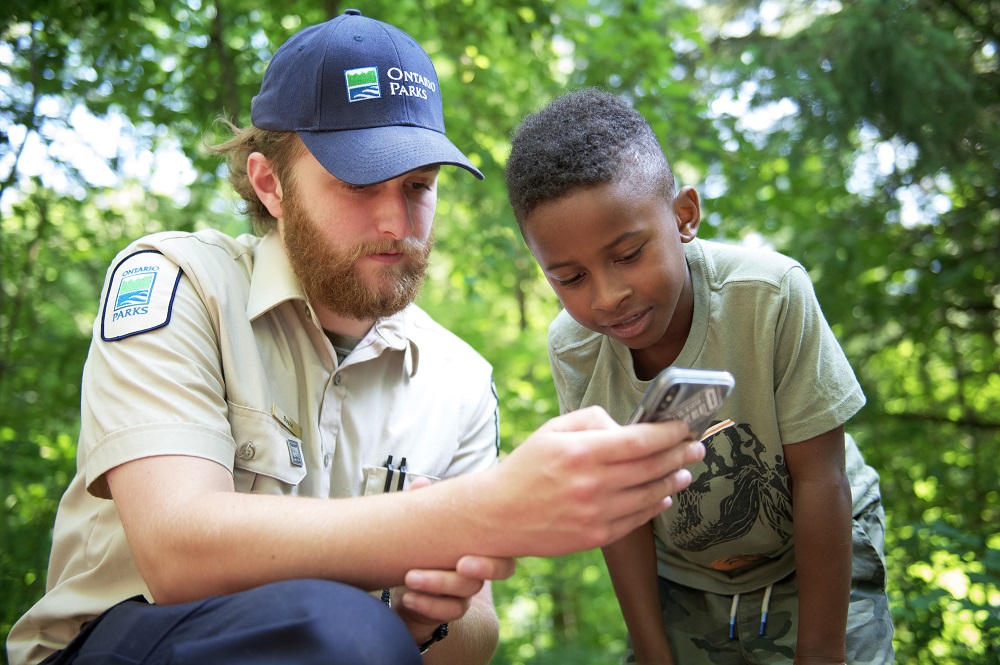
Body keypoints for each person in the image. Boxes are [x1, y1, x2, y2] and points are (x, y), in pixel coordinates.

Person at [6, 17, 708, 665]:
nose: (394, 220)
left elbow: (475, 633)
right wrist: (483, 509)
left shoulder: (459, 378)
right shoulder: (178, 282)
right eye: (355, 181)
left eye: (418, 185)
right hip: (114, 643)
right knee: (343, 625)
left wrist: (429, 616)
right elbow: (176, 551)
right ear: (270, 183)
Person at [504, 88, 894, 665]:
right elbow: (623, 512)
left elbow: (821, 480)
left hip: (815, 558)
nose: (608, 296)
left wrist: (822, 653)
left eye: (629, 254)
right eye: (570, 277)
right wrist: (653, 655)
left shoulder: (769, 296)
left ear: (683, 216)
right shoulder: (575, 346)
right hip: (685, 580)